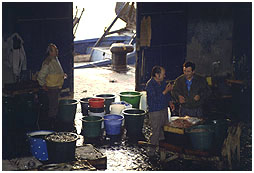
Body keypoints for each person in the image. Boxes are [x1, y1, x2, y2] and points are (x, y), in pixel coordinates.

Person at [145, 66, 174, 156]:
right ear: (157, 75)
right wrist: (165, 91)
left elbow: (167, 94)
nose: (164, 76)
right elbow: (155, 99)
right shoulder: (150, 85)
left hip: (163, 109)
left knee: (164, 129)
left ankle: (162, 150)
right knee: (155, 131)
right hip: (155, 111)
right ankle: (151, 152)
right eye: (163, 74)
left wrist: (170, 102)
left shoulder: (162, 82)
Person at [37, 43, 66, 129]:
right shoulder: (48, 62)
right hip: (51, 88)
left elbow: (55, 71)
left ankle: (53, 123)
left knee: (55, 106)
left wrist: (62, 75)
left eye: (57, 49)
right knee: (52, 107)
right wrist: (42, 85)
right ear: (50, 52)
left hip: (57, 87)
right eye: (54, 50)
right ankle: (51, 126)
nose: (57, 51)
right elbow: (41, 76)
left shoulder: (55, 59)